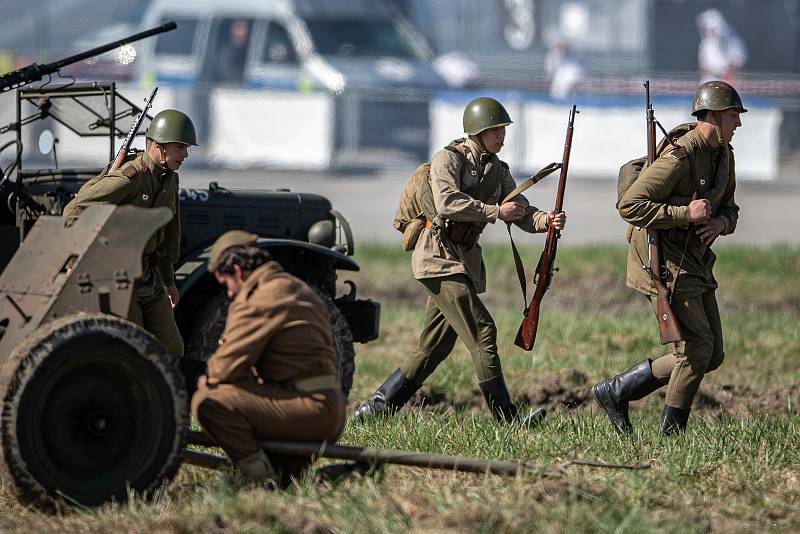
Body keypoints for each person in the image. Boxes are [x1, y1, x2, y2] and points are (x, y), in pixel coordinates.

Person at [353, 97, 566, 427]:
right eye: (495, 129)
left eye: (503, 130)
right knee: (483, 331)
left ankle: (376, 409)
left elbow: (520, 210)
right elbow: (448, 202)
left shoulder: (497, 169)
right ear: (478, 131)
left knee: (432, 348)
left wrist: (546, 220)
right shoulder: (447, 160)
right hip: (437, 257)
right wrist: (495, 212)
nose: (501, 135)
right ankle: (508, 419)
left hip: (461, 261)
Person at [593, 81, 745, 435]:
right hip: (662, 260)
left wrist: (721, 222)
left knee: (712, 353)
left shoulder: (724, 155)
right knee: (696, 349)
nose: (738, 124)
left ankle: (616, 391)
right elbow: (630, 204)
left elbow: (731, 209)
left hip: (694, 259)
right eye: (733, 116)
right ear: (712, 115)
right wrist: (684, 214)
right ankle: (671, 437)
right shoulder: (681, 156)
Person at [191, 231, 346, 484]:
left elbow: (224, 369)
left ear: (239, 272)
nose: (229, 294)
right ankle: (327, 478)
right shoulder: (294, 286)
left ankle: (260, 481)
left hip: (307, 410)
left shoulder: (261, 297)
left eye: (226, 284)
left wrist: (202, 380)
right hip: (323, 406)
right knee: (291, 481)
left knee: (209, 402)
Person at [63, 109, 196, 358]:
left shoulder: (170, 180)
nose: (185, 154)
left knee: (172, 348)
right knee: (132, 349)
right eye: (180, 147)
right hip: (119, 279)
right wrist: (75, 261)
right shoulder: (130, 178)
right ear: (158, 146)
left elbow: (170, 234)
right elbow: (75, 209)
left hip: (149, 277)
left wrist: (168, 280)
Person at [696, 8, 747, 84]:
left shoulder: (735, 42)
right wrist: (718, 72)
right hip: (708, 85)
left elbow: (739, 63)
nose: (706, 30)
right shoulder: (705, 44)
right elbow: (702, 66)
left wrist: (728, 71)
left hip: (729, 86)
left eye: (709, 28)